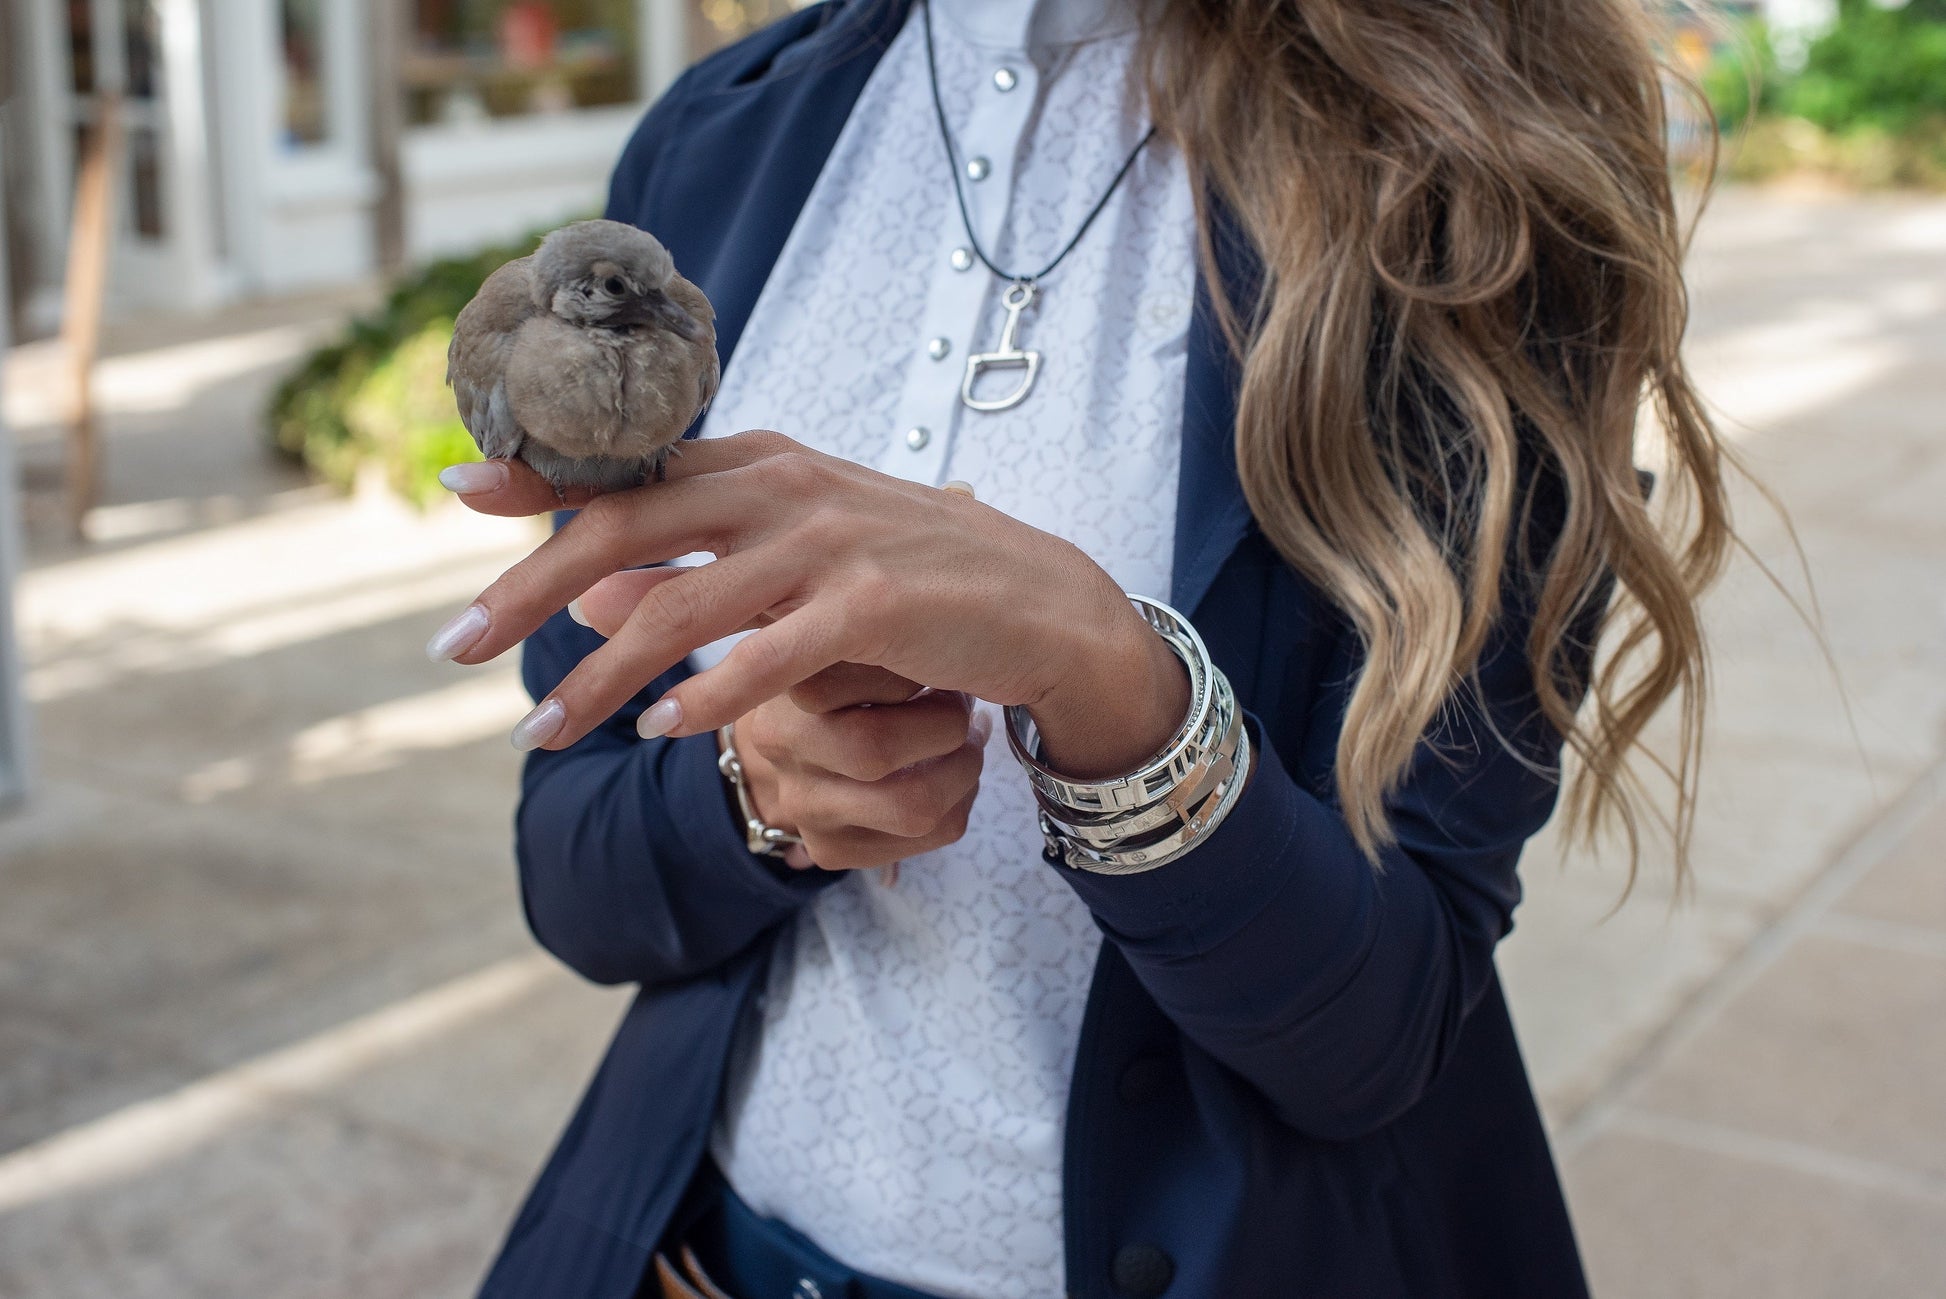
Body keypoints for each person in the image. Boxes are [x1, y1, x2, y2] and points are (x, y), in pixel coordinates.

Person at [429, 1, 1732, 1295]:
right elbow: (576, 882)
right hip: (704, 1254)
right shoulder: (721, 130)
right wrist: (760, 799)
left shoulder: (1463, 160)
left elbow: (1373, 1040)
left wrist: (1112, 687)